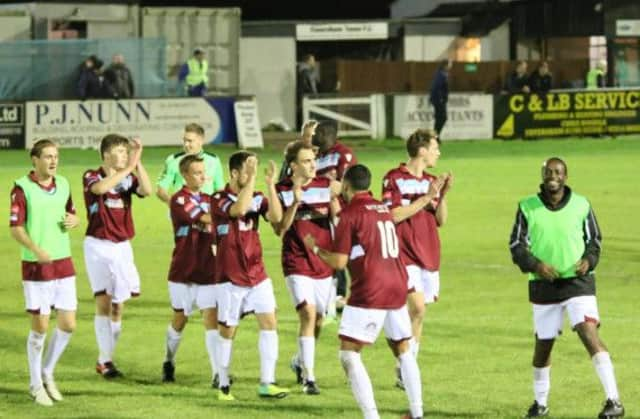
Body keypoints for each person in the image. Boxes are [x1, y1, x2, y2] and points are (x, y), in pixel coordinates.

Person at [303, 164, 424, 419]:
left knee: (349, 353)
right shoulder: (382, 208)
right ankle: (417, 413)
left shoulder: (350, 214)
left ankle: (371, 417)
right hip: (397, 284)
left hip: (371, 288)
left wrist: (315, 248)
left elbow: (338, 262)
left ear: (346, 186)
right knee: (403, 348)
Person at [509, 157, 624, 419]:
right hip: (543, 286)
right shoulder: (527, 207)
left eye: (558, 172)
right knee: (543, 345)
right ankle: (540, 405)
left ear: (565, 176)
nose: (553, 176)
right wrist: (536, 265)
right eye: (549, 172)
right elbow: (516, 246)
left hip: (578, 283)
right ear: (542, 174)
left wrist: (589, 260)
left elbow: (595, 239)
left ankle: (613, 400)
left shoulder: (582, 205)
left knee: (587, 331)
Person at [211, 152, 289, 401]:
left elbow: (276, 218)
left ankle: (267, 382)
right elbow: (239, 209)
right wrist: (254, 178)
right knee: (227, 330)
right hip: (229, 277)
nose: (251, 175)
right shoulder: (218, 198)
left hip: (257, 274)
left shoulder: (257, 195)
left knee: (269, 322)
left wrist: (269, 185)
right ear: (234, 174)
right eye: (247, 170)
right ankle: (223, 384)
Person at [9, 139, 79, 406]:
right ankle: (35, 384)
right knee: (40, 326)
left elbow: (70, 214)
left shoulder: (63, 184)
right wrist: (36, 250)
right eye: (48, 156)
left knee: (69, 324)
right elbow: (16, 227)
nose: (53, 161)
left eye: (56, 157)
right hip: (36, 266)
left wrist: (75, 220)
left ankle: (47, 372)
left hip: (64, 262)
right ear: (34, 159)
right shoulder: (21, 188)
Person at [381, 129, 451, 389]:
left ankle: (405, 369)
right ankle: (408, 370)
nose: (438, 153)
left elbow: (441, 220)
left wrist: (441, 195)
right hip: (403, 254)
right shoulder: (394, 178)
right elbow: (393, 215)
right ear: (422, 150)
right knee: (417, 308)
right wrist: (426, 197)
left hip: (428, 254)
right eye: (435, 148)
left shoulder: (431, 180)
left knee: (418, 315)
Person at [272, 141, 341, 395]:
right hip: (296, 261)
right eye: (307, 161)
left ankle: (299, 361)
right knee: (308, 315)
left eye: (314, 160)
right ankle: (309, 378)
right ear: (293, 166)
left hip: (322, 262)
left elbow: (340, 214)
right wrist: (294, 203)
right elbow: (279, 229)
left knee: (319, 319)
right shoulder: (280, 190)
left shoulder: (325, 187)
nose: (313, 165)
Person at [82, 134, 152, 378]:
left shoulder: (127, 178)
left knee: (117, 306)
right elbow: (100, 188)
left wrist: (137, 162)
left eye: (125, 151)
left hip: (122, 247)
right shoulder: (91, 175)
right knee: (103, 301)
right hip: (98, 246)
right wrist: (129, 167)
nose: (124, 155)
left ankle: (107, 358)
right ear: (106, 156)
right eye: (120, 152)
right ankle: (105, 361)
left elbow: (147, 190)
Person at [161, 155, 220, 387]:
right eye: (197, 172)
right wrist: (226, 212)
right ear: (185, 175)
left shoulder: (210, 198)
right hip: (184, 270)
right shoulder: (178, 200)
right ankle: (168, 360)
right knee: (180, 319)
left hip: (208, 269)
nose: (203, 176)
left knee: (211, 319)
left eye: (203, 172)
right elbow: (204, 218)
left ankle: (218, 374)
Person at [312, 120, 358, 312]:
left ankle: (355, 294)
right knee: (331, 254)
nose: (314, 136)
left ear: (327, 134)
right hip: (323, 214)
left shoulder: (343, 154)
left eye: (317, 133)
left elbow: (344, 187)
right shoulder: (317, 157)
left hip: (343, 213)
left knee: (349, 255)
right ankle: (336, 296)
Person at [156, 123, 225, 204]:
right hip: (182, 212)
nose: (186, 144)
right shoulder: (173, 160)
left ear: (200, 141)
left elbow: (220, 190)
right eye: (184, 140)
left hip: (206, 211)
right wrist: (175, 206)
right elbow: (161, 190)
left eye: (190, 141)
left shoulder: (214, 160)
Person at [429, 60, 452, 139]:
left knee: (439, 118)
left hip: (438, 100)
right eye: (449, 64)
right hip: (439, 100)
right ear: (445, 65)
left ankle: (435, 136)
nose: (450, 66)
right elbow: (436, 87)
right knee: (442, 118)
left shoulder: (441, 74)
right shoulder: (441, 75)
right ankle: (435, 136)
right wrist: (440, 98)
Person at [297, 54, 319, 125]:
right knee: (309, 117)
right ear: (308, 61)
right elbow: (307, 86)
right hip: (308, 98)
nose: (314, 62)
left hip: (306, 97)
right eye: (313, 60)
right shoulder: (306, 72)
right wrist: (313, 95)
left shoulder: (307, 71)